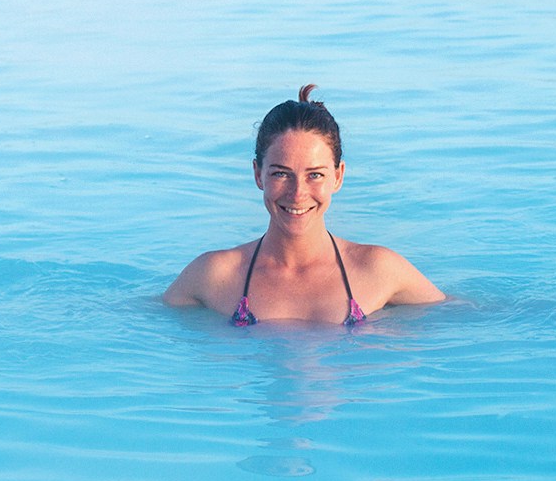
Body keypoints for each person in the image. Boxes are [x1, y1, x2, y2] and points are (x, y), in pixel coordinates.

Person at [163, 85, 444, 325]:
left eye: (315, 175)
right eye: (281, 173)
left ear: (338, 176)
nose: (298, 193)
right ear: (257, 174)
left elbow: (460, 319)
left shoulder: (378, 271)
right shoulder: (215, 276)